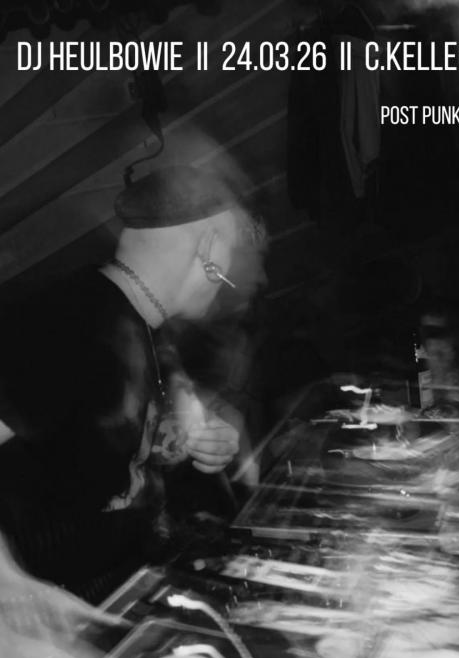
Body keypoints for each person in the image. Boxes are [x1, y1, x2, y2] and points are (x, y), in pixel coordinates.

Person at [0, 165, 266, 602]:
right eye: (231, 253)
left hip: (127, 582)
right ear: (209, 247)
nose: (230, 277)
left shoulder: (145, 324)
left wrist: (194, 440)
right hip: (61, 603)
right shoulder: (67, 322)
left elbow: (89, 434)